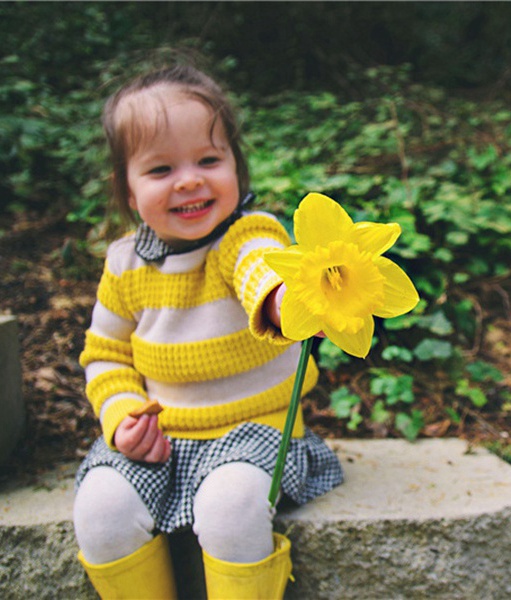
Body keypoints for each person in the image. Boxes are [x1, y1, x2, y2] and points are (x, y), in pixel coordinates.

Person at [73, 62, 344, 599]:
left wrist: (289, 300)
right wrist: (123, 415)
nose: (191, 179)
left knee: (230, 507)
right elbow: (105, 355)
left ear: (236, 170)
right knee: (100, 510)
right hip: (160, 439)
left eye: (208, 159)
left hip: (255, 433)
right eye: (160, 170)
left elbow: (261, 273)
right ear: (126, 190)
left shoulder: (245, 237)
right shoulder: (126, 263)